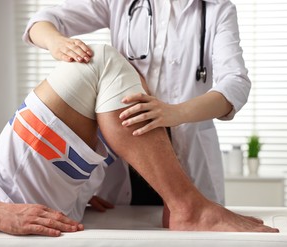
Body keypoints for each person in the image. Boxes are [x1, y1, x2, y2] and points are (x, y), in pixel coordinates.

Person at [0, 44, 278, 235]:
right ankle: (187, 206)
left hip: (7, 182)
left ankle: (185, 203)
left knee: (128, 78)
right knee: (101, 63)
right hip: (2, 190)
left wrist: (76, 189)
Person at [23, 0, 250, 208]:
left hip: (187, 154)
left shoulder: (218, 9)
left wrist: (174, 113)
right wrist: (57, 42)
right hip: (126, 152)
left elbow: (236, 83)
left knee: (191, 234)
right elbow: (42, 21)